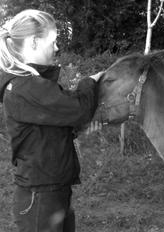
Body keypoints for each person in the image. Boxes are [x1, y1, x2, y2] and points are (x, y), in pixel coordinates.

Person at [0, 9, 102, 232]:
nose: (56, 48)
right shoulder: (25, 87)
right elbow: (79, 109)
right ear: (35, 42)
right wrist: (90, 81)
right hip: (41, 198)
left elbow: (48, 126)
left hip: (51, 191)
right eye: (53, 41)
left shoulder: (32, 84)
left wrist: (74, 129)